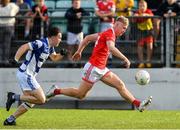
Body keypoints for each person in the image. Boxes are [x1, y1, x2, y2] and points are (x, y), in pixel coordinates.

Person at [46, 16, 152, 112]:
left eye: (125, 28)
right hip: (93, 68)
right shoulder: (110, 33)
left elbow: (87, 38)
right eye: (123, 27)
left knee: (120, 85)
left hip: (101, 68)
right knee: (80, 94)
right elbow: (111, 47)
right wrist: (125, 58)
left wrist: (79, 51)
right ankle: (56, 91)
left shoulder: (106, 33)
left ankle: (138, 104)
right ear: (116, 24)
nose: (124, 30)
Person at [3, 27, 67, 125]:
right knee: (41, 100)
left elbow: (54, 58)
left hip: (26, 75)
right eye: (59, 37)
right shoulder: (41, 43)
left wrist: (61, 54)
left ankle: (10, 119)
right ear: (53, 37)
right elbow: (24, 47)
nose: (60, 39)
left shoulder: (50, 47)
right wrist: (16, 59)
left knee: (31, 101)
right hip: (26, 74)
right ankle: (14, 97)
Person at [134, 0, 154, 68]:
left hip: (149, 31)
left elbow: (152, 16)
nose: (142, 7)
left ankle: (148, 61)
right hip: (140, 31)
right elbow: (133, 20)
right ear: (138, 7)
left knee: (149, 46)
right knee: (140, 46)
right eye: (140, 6)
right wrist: (135, 16)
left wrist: (146, 15)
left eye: (143, 6)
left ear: (146, 7)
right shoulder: (137, 13)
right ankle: (141, 62)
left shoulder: (148, 11)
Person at [0, 0, 19, 65]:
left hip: (1, 26)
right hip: (9, 26)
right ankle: (5, 60)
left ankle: (2, 60)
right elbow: (16, 10)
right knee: (7, 45)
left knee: (2, 45)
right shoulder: (12, 5)